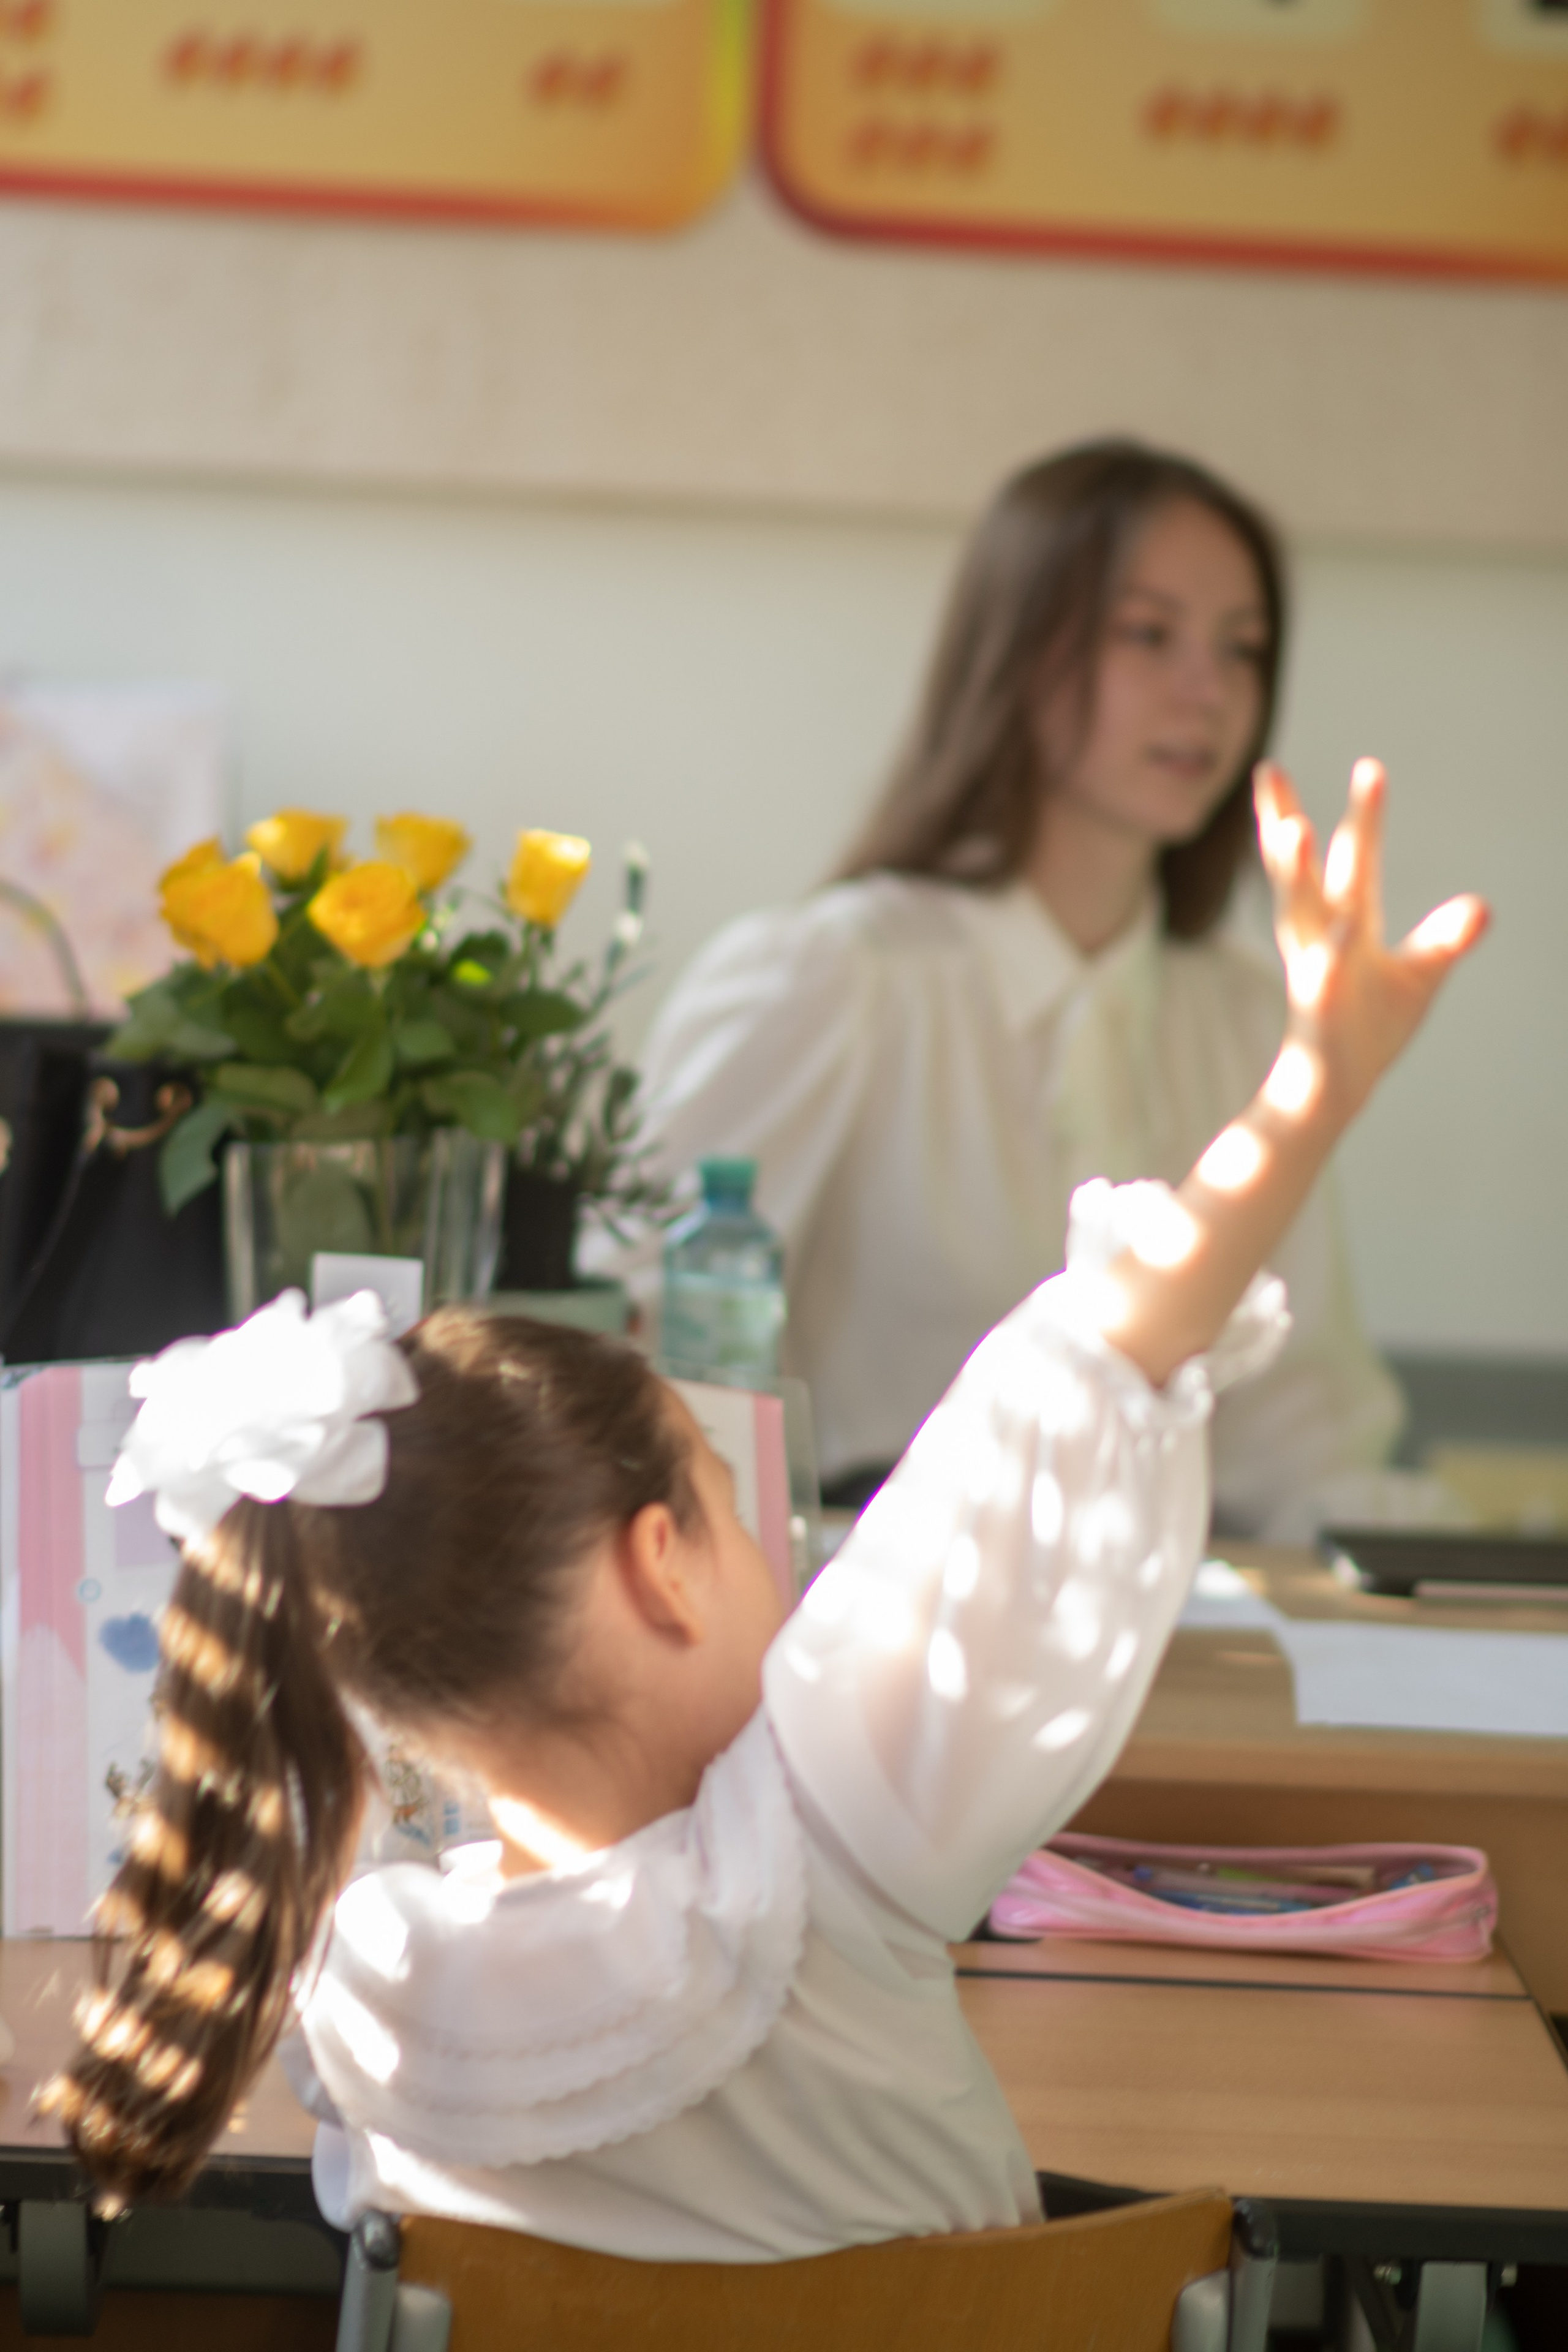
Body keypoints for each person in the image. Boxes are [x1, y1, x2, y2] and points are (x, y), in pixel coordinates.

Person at [48, 760, 1484, 2258]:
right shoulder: (831, 1841)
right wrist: (1312, 1087)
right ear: (659, 1566)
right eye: (734, 1517)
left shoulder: (365, 2006)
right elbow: (1085, 1368)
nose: (781, 1566)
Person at [631, 441, 1407, 1534]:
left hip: (1181, 1608)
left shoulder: (1246, 1015)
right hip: (858, 1599)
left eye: (1243, 648)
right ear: (1019, 650)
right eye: (1149, 634)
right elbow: (633, 1349)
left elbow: (1303, 1426)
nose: (1210, 691)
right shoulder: (836, 980)